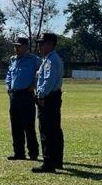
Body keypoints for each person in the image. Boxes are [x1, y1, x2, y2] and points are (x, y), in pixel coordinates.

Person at [4, 35, 40, 161]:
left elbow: (41, 73)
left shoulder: (34, 60)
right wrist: (8, 86)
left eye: (19, 46)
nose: (16, 49)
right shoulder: (12, 60)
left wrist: (34, 84)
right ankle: (19, 152)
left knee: (28, 126)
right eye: (15, 46)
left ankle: (33, 152)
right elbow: (9, 74)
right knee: (15, 125)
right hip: (14, 95)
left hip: (27, 95)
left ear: (25, 47)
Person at [33, 32, 64, 173]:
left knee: (47, 130)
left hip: (48, 98)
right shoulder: (49, 59)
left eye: (42, 43)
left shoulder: (51, 61)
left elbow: (48, 81)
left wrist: (41, 95)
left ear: (50, 44)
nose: (40, 46)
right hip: (53, 97)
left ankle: (48, 162)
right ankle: (57, 160)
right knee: (55, 129)